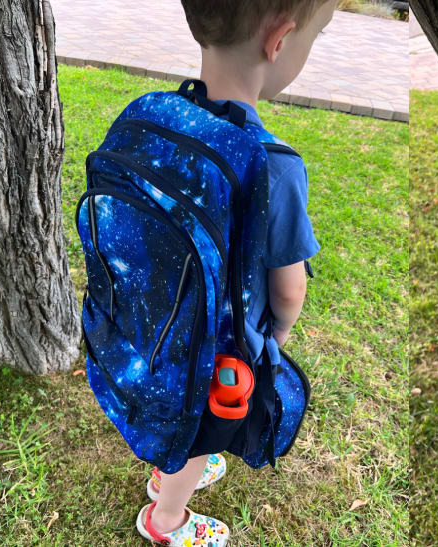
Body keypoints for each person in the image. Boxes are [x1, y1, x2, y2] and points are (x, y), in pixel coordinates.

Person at [135, 1, 335, 544]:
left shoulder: (156, 119)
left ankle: (164, 467)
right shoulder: (273, 164)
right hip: (218, 347)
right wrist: (278, 335)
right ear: (280, 41)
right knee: (204, 432)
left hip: (155, 321)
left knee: (177, 413)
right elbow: (289, 286)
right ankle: (167, 518)